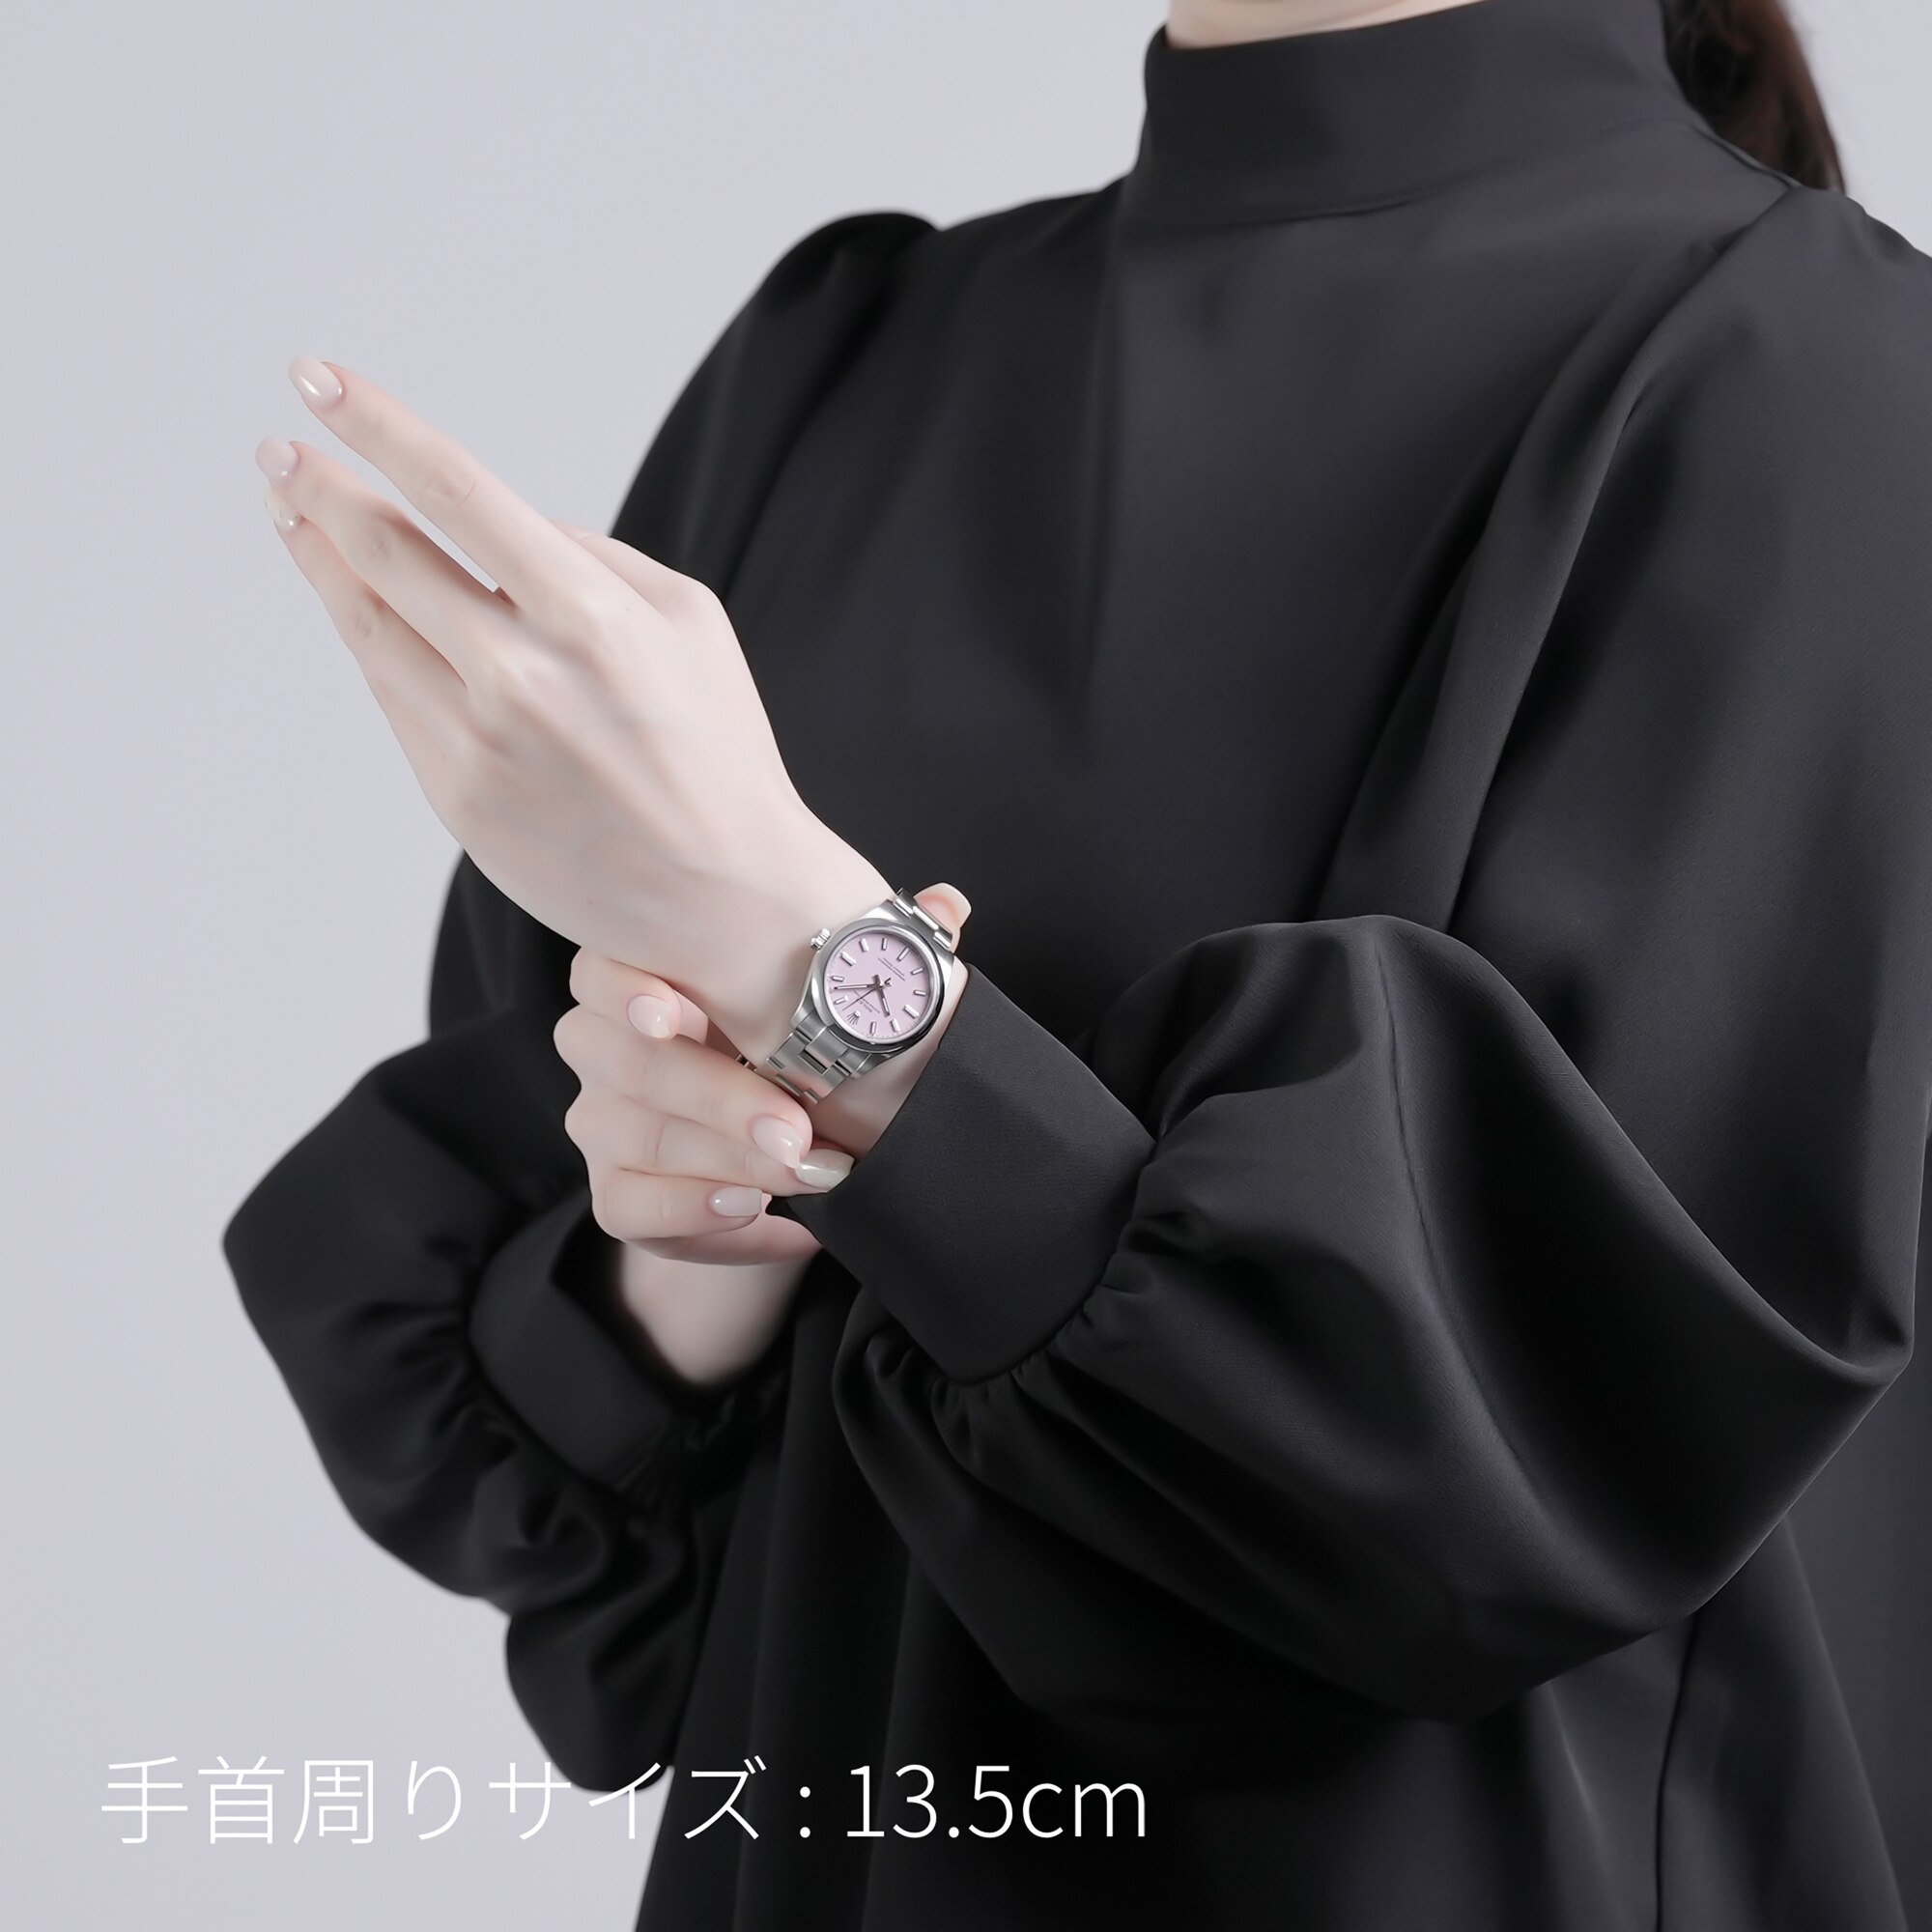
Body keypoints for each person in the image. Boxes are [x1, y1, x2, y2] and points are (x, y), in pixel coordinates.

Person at [223, 0, 1932, 1924]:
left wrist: (820, 976)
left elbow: (1512, 1460)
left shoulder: (1827, 385)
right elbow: (628, 1541)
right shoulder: (843, 370)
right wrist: (697, 1238)